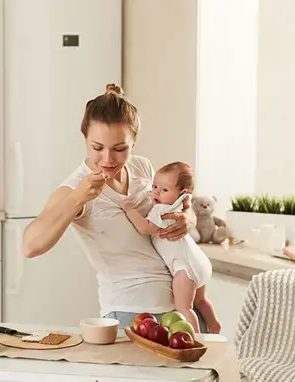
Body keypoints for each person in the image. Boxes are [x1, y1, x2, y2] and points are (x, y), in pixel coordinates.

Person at [21, 83, 209, 331]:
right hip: (129, 315)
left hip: (179, 307)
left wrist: (188, 219)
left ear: (134, 142)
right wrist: (77, 198)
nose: (108, 159)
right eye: (97, 148)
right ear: (84, 139)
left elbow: (172, 207)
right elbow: (30, 246)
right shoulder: (75, 188)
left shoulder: (142, 167)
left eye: (120, 149)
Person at [121, 161, 221, 334]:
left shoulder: (163, 210)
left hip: (184, 269)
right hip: (198, 262)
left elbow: (144, 228)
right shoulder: (179, 208)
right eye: (154, 186)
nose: (156, 192)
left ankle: (196, 338)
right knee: (200, 300)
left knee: (184, 308)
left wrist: (130, 210)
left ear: (183, 194)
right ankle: (213, 324)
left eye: (164, 190)